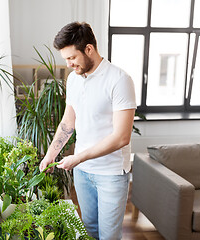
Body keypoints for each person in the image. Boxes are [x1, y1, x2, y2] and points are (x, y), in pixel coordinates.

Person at [39, 22, 136, 240]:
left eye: (72, 57)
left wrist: (78, 157)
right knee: (89, 231)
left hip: (111, 174)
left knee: (109, 236)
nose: (69, 63)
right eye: (65, 59)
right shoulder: (73, 79)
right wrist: (50, 155)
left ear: (89, 49)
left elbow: (122, 137)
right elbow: (67, 122)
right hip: (83, 172)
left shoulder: (120, 80)